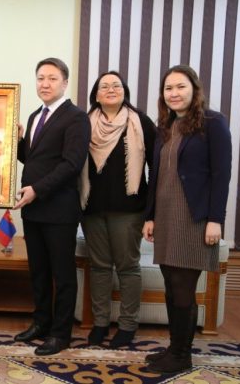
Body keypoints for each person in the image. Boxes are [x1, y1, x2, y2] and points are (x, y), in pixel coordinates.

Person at [142, 65, 232, 373]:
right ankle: (174, 347)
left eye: (180, 86)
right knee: (170, 286)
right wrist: (150, 216)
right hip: (166, 216)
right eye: (168, 88)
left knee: (182, 288)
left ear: (194, 89)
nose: (174, 93)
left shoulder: (213, 123)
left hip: (193, 218)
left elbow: (221, 174)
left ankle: (182, 356)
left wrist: (215, 219)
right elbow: (156, 175)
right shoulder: (166, 126)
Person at [13, 57, 90, 356]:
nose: (45, 84)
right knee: (39, 271)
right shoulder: (35, 115)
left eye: (52, 78)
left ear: (65, 83)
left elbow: (71, 164)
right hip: (32, 208)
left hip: (59, 209)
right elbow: (33, 159)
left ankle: (61, 334)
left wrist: (37, 190)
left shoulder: (76, 117)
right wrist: (17, 142)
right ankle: (41, 323)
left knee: (63, 274)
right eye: (41, 78)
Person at [79, 71, 156, 348]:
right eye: (104, 86)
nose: (111, 89)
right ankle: (100, 323)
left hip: (129, 210)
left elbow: (156, 169)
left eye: (116, 85)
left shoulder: (141, 122)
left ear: (124, 91)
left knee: (127, 267)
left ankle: (127, 325)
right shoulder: (83, 123)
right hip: (92, 209)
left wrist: (152, 214)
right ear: (96, 95)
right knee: (99, 267)